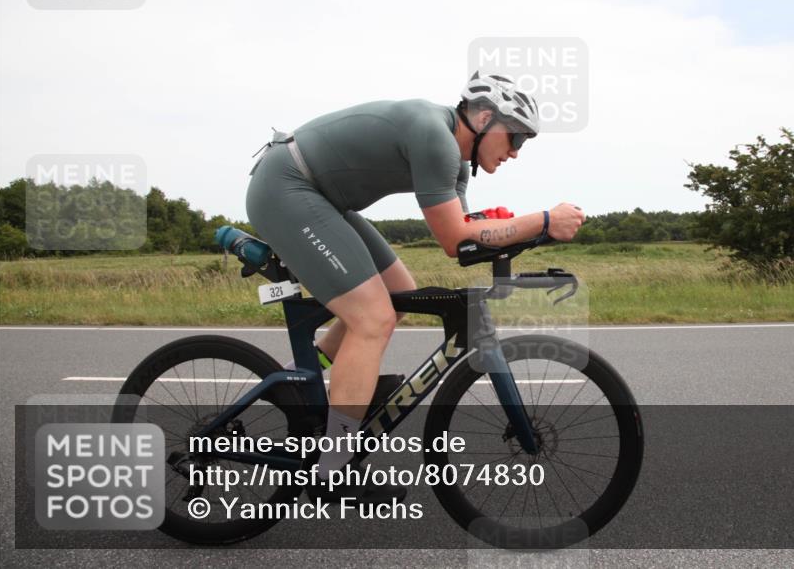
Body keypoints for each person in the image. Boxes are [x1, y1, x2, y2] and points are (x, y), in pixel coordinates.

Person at [245, 72, 585, 500]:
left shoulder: (457, 162)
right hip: (287, 186)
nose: (516, 152)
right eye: (515, 137)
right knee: (373, 318)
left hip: (320, 196)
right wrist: (544, 220)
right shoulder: (435, 136)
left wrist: (515, 228)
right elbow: (453, 236)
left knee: (399, 291)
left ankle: (303, 385)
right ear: (483, 118)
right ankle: (331, 469)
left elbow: (461, 242)